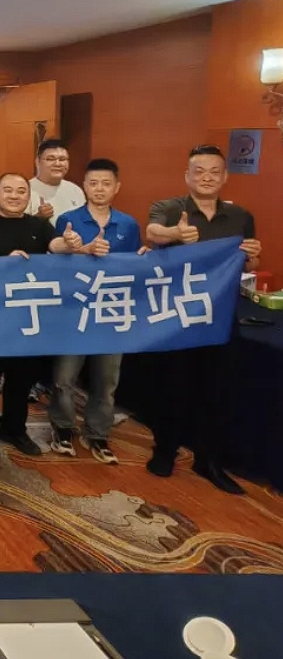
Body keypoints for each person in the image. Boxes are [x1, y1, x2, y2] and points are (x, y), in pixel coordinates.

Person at [144, 144, 262, 494]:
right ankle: (164, 451)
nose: (207, 178)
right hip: (178, 318)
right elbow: (152, 233)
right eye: (199, 171)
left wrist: (254, 256)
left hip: (221, 317)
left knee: (217, 391)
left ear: (225, 177)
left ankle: (208, 460)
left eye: (214, 172)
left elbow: (249, 263)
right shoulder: (170, 208)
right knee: (173, 388)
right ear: (187, 176)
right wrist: (175, 234)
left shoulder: (240, 216)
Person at [48, 158, 143, 464]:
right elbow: (55, 261)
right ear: (84, 187)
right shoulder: (68, 220)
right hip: (75, 309)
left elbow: (134, 267)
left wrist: (143, 258)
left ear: (117, 187)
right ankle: (63, 428)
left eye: (106, 183)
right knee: (64, 377)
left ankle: (97, 433)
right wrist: (78, 248)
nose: (99, 189)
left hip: (111, 312)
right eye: (93, 183)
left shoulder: (128, 225)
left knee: (106, 379)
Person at [0, 173, 58, 458]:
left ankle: (14, 428)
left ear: (28, 196)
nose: (15, 196)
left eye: (21, 191)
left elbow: (57, 248)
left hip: (27, 315)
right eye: (8, 190)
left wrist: (72, 244)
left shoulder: (40, 225)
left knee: (22, 377)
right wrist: (3, 263)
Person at [26, 139, 86, 222]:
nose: (58, 164)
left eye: (62, 159)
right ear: (37, 162)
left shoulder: (75, 190)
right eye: (51, 159)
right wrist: (38, 218)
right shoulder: (25, 189)